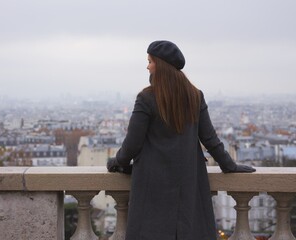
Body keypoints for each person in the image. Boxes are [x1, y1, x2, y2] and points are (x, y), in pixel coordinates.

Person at [107, 40, 256, 240]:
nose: (147, 66)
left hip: (151, 184)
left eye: (150, 61)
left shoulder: (146, 98)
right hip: (187, 181)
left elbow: (132, 144)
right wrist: (229, 165)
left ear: (159, 65)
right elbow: (210, 139)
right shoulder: (195, 95)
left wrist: (118, 163)